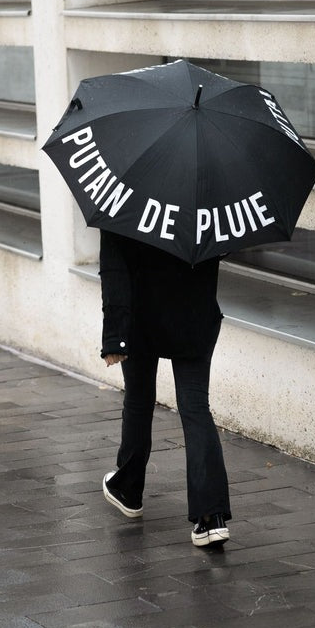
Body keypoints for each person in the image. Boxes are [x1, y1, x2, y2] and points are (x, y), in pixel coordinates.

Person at [98, 228, 231, 547]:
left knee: (139, 399)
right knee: (195, 405)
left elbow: (115, 266)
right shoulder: (207, 190)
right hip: (193, 312)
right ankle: (210, 517)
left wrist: (114, 336)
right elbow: (220, 248)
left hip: (141, 313)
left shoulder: (126, 190)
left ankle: (128, 489)